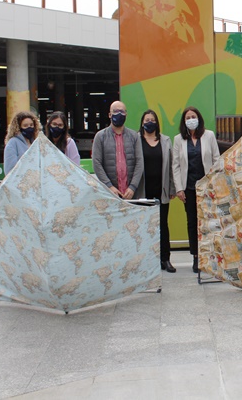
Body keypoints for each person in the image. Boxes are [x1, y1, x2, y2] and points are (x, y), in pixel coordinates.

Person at [172, 106, 220, 273]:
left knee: (207, 222)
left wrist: (214, 184)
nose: (190, 119)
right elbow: (176, 165)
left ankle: (210, 255)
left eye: (193, 116)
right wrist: (179, 189)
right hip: (189, 188)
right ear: (184, 122)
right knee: (192, 223)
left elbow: (216, 160)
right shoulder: (178, 139)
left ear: (198, 118)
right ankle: (196, 257)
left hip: (206, 188)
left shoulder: (209, 136)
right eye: (187, 117)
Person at [137, 110, 177, 273]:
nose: (150, 122)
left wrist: (173, 187)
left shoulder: (165, 140)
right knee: (145, 227)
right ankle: (148, 260)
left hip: (161, 190)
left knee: (163, 225)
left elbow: (172, 166)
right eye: (147, 120)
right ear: (142, 123)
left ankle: (165, 259)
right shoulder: (136, 140)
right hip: (142, 191)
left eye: (152, 120)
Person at [92, 100, 144, 200]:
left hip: (131, 194)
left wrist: (132, 187)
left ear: (126, 114)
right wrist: (109, 186)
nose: (119, 114)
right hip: (109, 195)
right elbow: (96, 163)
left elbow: (139, 162)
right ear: (109, 114)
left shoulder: (134, 136)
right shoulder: (100, 137)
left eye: (122, 111)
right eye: (115, 111)